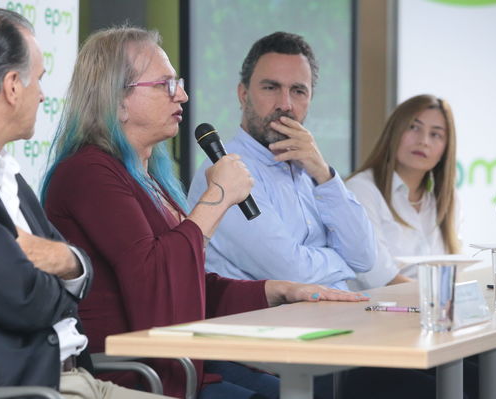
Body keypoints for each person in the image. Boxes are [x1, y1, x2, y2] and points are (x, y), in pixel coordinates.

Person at [41, 27, 369, 399]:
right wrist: (218, 197)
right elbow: (155, 278)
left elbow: (192, 284)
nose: (182, 94)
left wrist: (277, 290)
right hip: (132, 378)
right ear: (117, 100)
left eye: (177, 83)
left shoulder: (147, 178)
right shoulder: (88, 172)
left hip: (178, 366)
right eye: (164, 85)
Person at [0, 9, 168, 399]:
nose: (44, 95)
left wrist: (65, 261)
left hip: (75, 377)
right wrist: (62, 269)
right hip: (22, 388)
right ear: (13, 85)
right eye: (40, 80)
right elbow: (22, 299)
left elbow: (76, 264)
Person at [187, 31, 376, 291]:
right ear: (243, 95)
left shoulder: (312, 169)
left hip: (328, 320)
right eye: (270, 87)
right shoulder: (223, 169)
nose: (285, 104)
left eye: (298, 91)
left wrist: (323, 173)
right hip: (262, 326)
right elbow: (290, 272)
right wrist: (345, 263)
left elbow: (365, 257)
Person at [345, 94, 460, 290]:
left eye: (436, 134)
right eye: (413, 127)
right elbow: (378, 276)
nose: (423, 141)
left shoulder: (448, 199)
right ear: (394, 132)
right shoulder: (361, 189)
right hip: (376, 313)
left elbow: (454, 271)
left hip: (431, 313)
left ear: (446, 149)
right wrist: (438, 297)